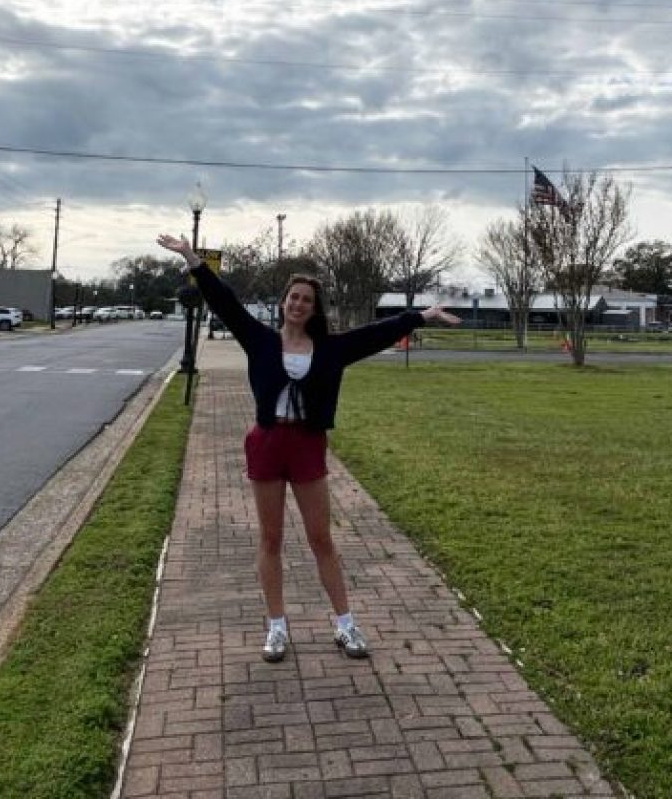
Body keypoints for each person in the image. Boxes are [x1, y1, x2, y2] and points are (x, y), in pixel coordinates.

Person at [157, 233, 460, 662]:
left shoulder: (331, 349)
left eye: (306, 300)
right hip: (266, 442)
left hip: (307, 445)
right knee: (271, 539)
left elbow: (377, 334)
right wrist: (192, 258)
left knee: (321, 539)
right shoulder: (259, 339)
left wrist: (420, 316)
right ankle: (276, 628)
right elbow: (224, 302)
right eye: (293, 297)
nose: (298, 304)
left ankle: (345, 625)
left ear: (314, 309)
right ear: (284, 303)